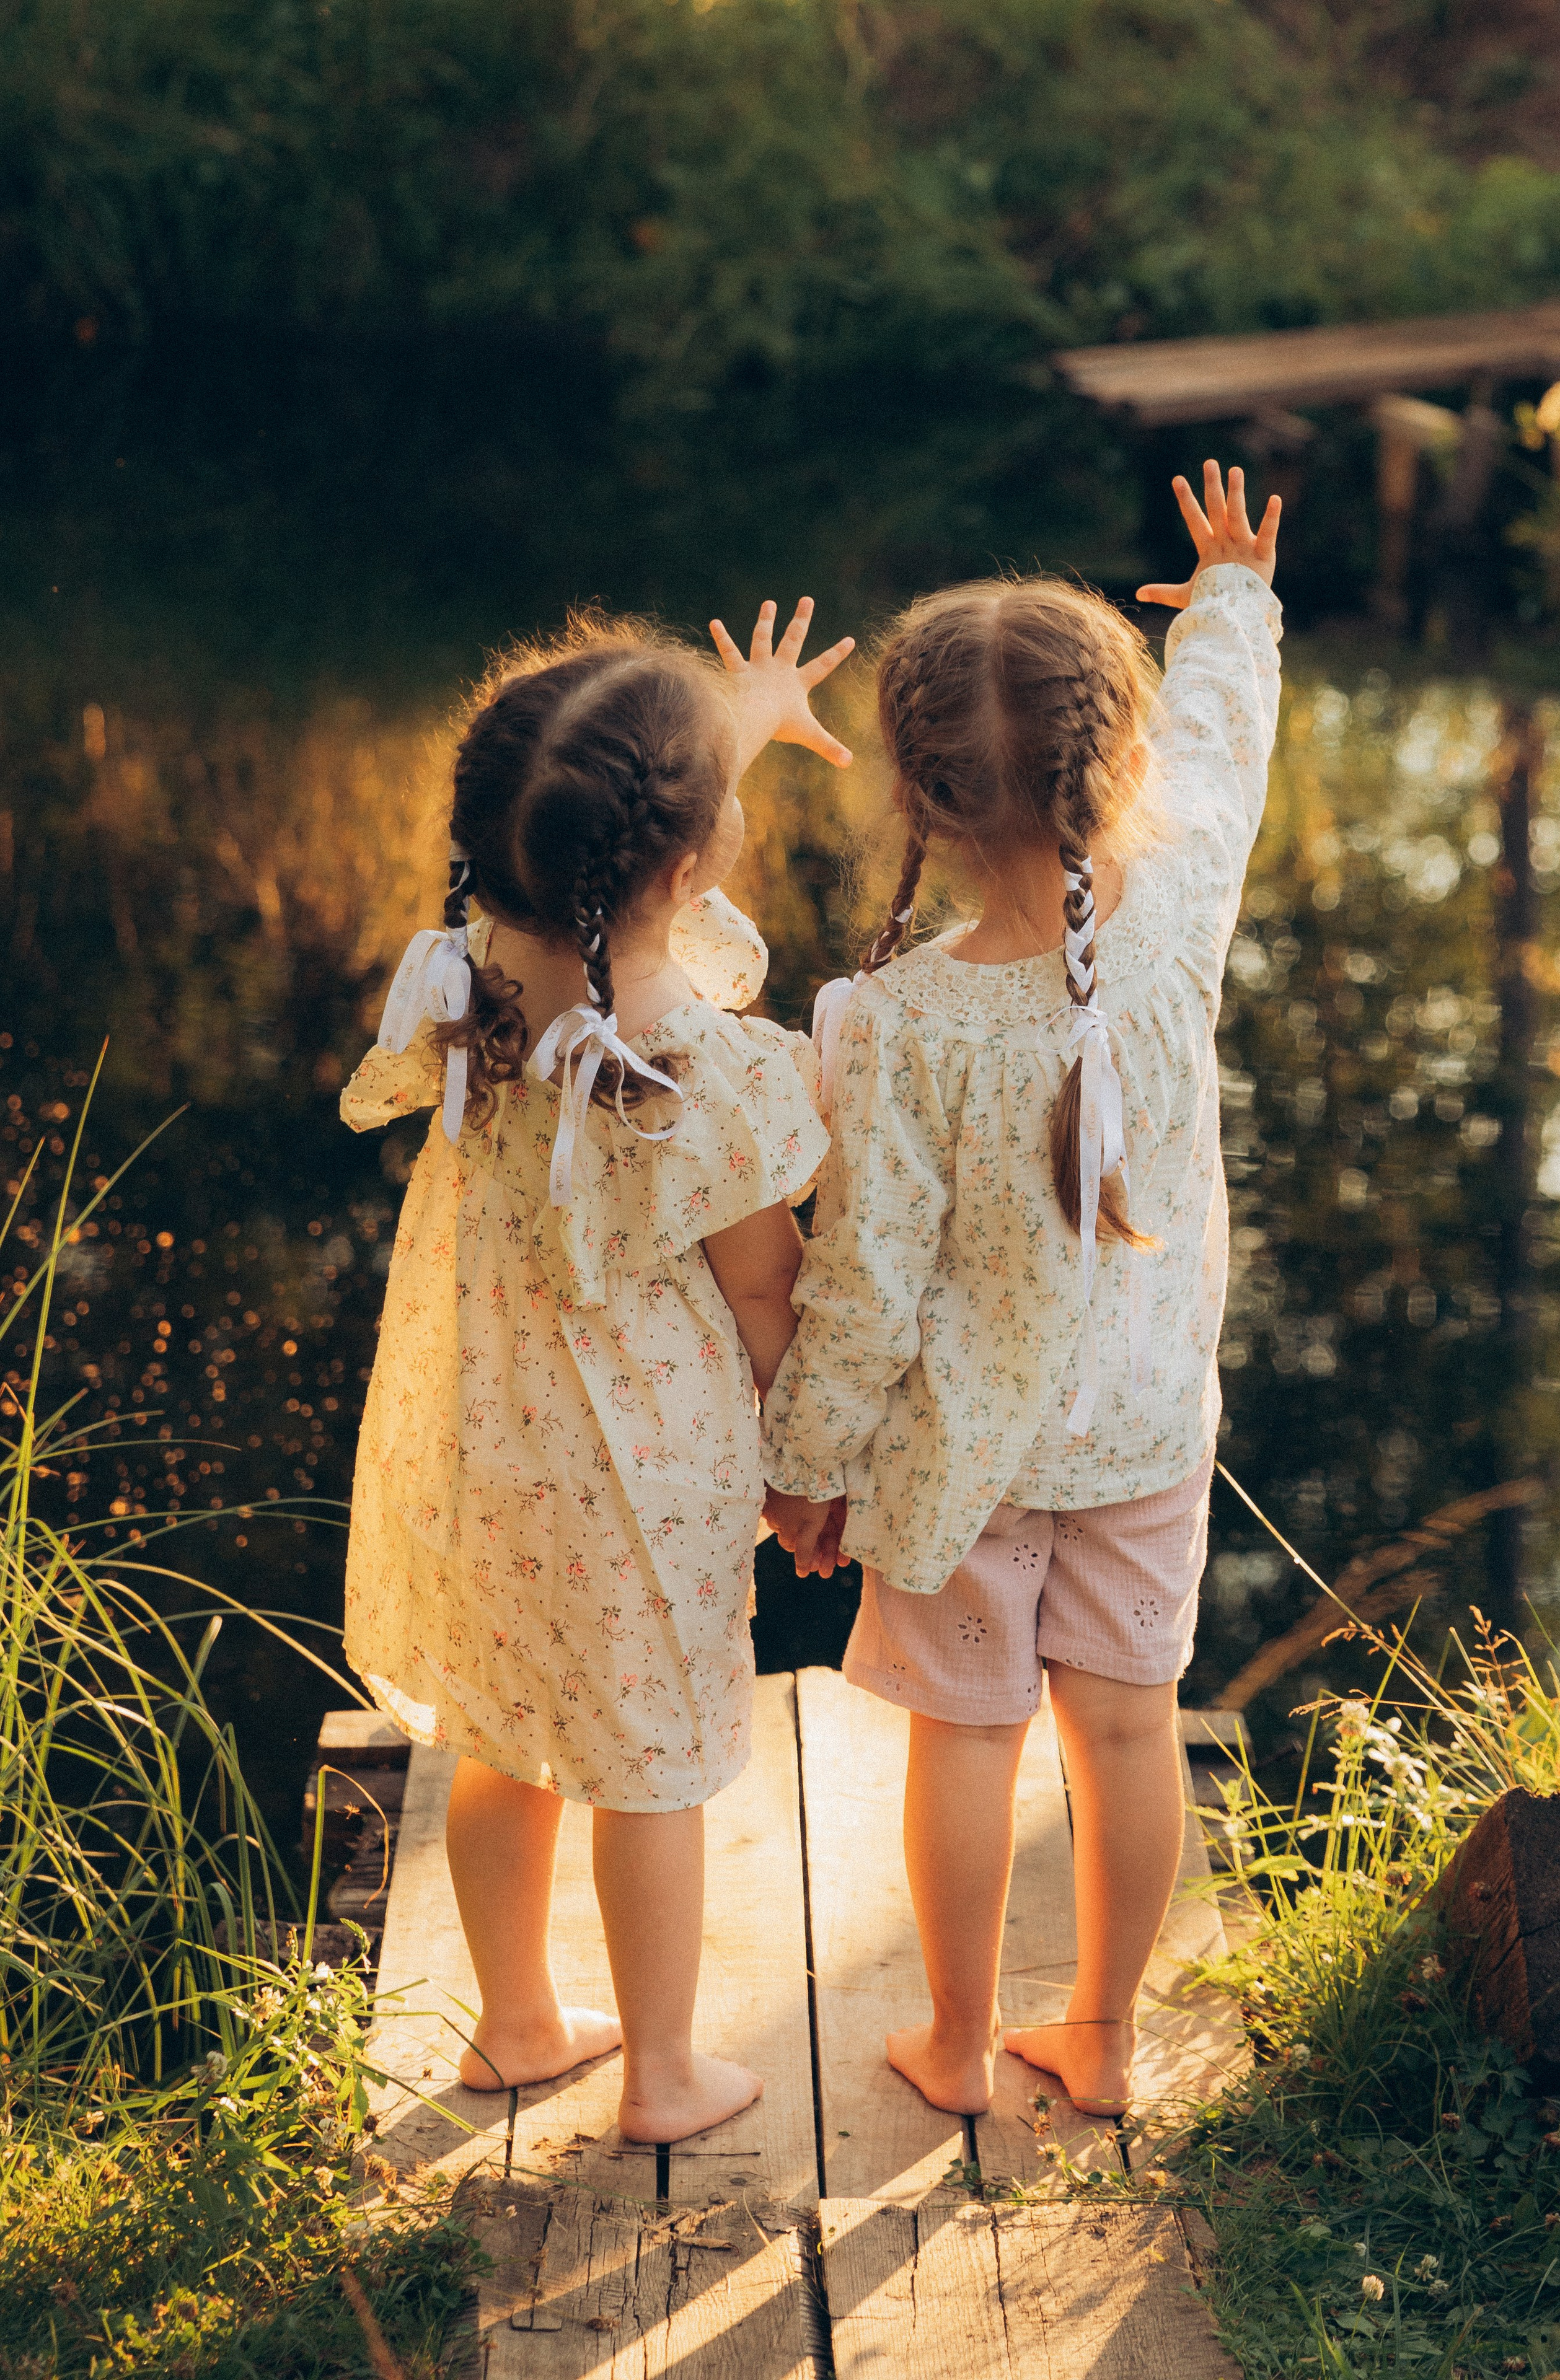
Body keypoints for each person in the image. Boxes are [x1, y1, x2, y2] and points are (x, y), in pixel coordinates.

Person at [762, 464, 1282, 2119]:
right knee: (1132, 1733)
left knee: (968, 1739)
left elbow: (864, 1279)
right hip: (1143, 1429)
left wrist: (806, 1461)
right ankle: (1110, 2040)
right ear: (1111, 760)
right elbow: (1226, 748)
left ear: (914, 795)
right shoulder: (1183, 893)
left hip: (964, 1459)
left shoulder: (898, 1022)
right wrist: (1231, 604)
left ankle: (959, 2043)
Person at [341, 597, 851, 2144]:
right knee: (648, 1768)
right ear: (685, 864)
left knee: (507, 1731)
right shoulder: (706, 1068)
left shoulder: (465, 980)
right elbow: (765, 1293)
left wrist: (732, 722)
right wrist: (806, 1465)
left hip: (477, 1443)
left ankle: (512, 2024)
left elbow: (604, 846)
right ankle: (664, 2073)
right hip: (639, 1474)